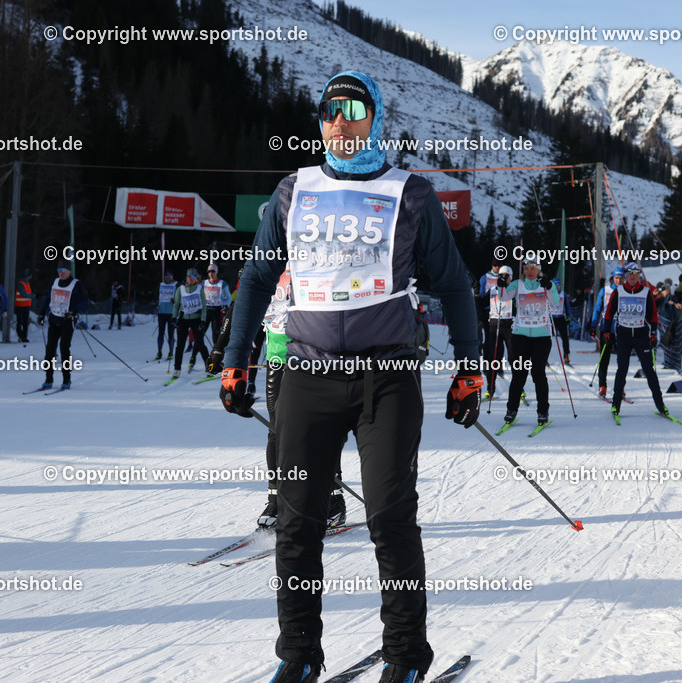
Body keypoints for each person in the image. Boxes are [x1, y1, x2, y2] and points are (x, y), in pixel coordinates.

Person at [218, 71, 481, 683]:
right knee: (297, 519)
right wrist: (237, 358)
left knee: (390, 516)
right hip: (307, 375)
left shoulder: (410, 194)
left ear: (376, 116)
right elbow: (257, 280)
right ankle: (299, 653)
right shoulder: (293, 191)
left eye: (354, 107)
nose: (340, 120)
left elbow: (455, 286)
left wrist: (469, 370)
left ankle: (406, 656)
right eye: (330, 109)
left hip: (386, 377)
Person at [209, 269, 347, 530]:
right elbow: (240, 309)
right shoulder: (265, 264)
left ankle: (333, 500)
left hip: (315, 358)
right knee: (276, 431)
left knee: (320, 429)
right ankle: (277, 499)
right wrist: (219, 349)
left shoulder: (311, 259)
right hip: (277, 358)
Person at [499, 255, 559, 427]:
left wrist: (550, 287)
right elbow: (504, 297)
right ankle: (511, 410)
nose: (530, 271)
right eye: (526, 268)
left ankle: (542, 411)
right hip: (520, 336)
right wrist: (501, 286)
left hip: (541, 337)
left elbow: (554, 302)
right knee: (519, 374)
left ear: (539, 269)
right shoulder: (517, 284)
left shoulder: (545, 284)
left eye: (533, 268)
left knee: (538, 374)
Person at [602, 262, 667, 419]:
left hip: (641, 336)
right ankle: (615, 405)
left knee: (649, 370)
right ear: (626, 275)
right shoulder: (618, 291)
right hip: (623, 336)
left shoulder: (645, 292)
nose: (632, 276)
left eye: (635, 273)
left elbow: (653, 314)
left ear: (639, 275)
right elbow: (609, 313)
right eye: (629, 273)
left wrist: (652, 334)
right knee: (622, 370)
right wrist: (607, 333)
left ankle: (660, 405)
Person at [37, 263, 88, 390]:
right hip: (54, 319)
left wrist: (74, 311)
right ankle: (48, 379)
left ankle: (66, 379)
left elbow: (84, 303)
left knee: (64, 349)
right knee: (50, 350)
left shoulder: (76, 284)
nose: (61, 272)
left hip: (67, 322)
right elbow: (48, 300)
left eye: (63, 270)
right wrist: (42, 314)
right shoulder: (55, 283)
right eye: (59, 270)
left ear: (69, 271)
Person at [590, 268, 624, 397]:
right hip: (606, 328)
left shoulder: (627, 291)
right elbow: (597, 308)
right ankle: (602, 386)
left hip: (622, 328)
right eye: (617, 278)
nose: (619, 280)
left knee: (622, 361)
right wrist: (593, 325)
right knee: (604, 359)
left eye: (621, 278)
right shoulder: (605, 291)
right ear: (613, 279)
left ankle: (620, 387)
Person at [171, 268, 209, 380]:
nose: (190, 279)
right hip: (183, 319)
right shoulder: (181, 289)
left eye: (193, 277)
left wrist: (203, 320)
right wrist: (174, 318)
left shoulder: (199, 289)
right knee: (180, 346)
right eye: (189, 276)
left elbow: (204, 306)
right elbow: (176, 304)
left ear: (196, 278)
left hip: (196, 319)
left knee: (200, 344)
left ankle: (210, 368)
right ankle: (177, 369)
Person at [484, 265, 514, 398]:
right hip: (494, 326)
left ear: (510, 278)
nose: (503, 278)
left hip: (510, 327)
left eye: (506, 276)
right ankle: (490, 389)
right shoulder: (492, 290)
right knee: (493, 359)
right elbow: (481, 304)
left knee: (514, 358)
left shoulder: (514, 290)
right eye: (501, 275)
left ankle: (519, 389)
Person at [202, 264, 231, 347]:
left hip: (217, 311)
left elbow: (228, 297)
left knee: (216, 334)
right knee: (200, 333)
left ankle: (216, 353)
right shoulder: (204, 283)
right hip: (206, 310)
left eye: (213, 271)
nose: (211, 273)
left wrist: (226, 305)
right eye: (209, 271)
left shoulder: (222, 284)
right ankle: (193, 356)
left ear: (216, 272)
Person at [155, 272, 177, 360]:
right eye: (166, 276)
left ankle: (171, 351)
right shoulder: (161, 285)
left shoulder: (176, 285)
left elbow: (179, 297)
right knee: (161, 333)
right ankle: (159, 351)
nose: (168, 277)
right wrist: (154, 302)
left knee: (170, 333)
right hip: (162, 313)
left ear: (172, 277)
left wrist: (175, 300)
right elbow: (156, 295)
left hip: (171, 313)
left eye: (169, 276)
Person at [550, 277, 571, 364]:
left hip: (561, 317)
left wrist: (569, 317)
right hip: (551, 318)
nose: (557, 286)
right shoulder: (549, 294)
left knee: (565, 338)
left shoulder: (563, 294)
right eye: (555, 285)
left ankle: (566, 355)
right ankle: (544, 357)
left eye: (558, 285)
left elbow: (567, 306)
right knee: (547, 339)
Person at [14, 268, 33, 343]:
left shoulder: (26, 283)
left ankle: (24, 336)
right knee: (20, 322)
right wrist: (32, 296)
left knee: (25, 322)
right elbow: (23, 294)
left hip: (26, 305)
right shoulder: (21, 283)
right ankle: (21, 336)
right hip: (20, 305)